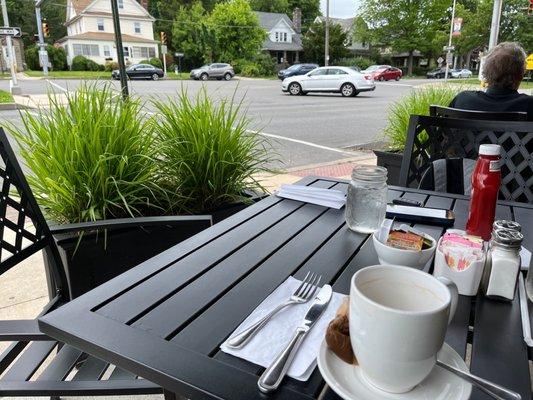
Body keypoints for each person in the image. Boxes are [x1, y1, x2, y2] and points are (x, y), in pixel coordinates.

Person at [449, 42, 533, 120]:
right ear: (520, 74)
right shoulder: (528, 105)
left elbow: (442, 134)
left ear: (485, 71)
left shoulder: (462, 100)